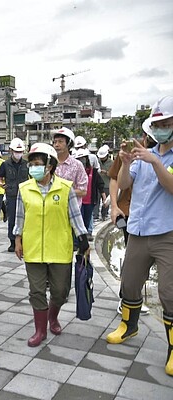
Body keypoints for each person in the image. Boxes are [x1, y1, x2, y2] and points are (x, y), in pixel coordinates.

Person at [106, 95, 173, 376]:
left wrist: (155, 161)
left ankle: (172, 348)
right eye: (157, 124)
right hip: (138, 229)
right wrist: (123, 161)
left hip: (166, 232)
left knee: (168, 292)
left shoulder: (156, 156)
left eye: (166, 123)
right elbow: (123, 184)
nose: (160, 129)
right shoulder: (143, 153)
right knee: (130, 283)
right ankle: (128, 325)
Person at [14, 143, 89, 347]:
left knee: (60, 292)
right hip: (34, 248)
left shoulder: (65, 188)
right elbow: (20, 216)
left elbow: (75, 216)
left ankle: (53, 317)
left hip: (59, 249)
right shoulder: (25, 188)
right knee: (36, 291)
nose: (33, 168)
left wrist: (83, 239)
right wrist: (17, 239)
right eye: (31, 164)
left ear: (50, 165)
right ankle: (40, 330)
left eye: (37, 164)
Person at [109, 131, 156, 315]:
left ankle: (131, 297)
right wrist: (113, 206)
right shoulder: (129, 154)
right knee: (133, 257)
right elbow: (115, 179)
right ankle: (127, 298)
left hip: (156, 219)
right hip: (129, 213)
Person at [0, 137, 29, 252]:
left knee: (25, 219)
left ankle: (23, 241)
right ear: (11, 151)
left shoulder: (27, 164)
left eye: (20, 152)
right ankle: (12, 242)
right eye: (16, 151)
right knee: (12, 219)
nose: (18, 154)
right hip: (11, 195)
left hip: (25, 195)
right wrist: (1, 184)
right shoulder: (5, 164)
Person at [74, 148, 106, 239]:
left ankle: (84, 239)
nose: (82, 161)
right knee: (78, 222)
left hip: (89, 201)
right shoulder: (75, 172)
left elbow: (100, 184)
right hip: (78, 201)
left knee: (86, 221)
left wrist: (104, 196)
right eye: (79, 159)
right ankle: (77, 242)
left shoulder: (93, 172)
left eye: (83, 158)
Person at [53, 128, 88, 208]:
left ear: (69, 144)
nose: (57, 145)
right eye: (55, 142)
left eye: (60, 142)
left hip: (71, 211)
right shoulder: (49, 164)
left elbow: (83, 191)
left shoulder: (77, 165)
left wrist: (63, 191)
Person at [96, 145, 113, 221]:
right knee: (96, 200)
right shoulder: (97, 161)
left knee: (105, 202)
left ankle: (104, 215)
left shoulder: (111, 163)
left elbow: (113, 175)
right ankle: (95, 215)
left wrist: (106, 172)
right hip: (98, 184)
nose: (101, 158)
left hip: (107, 185)